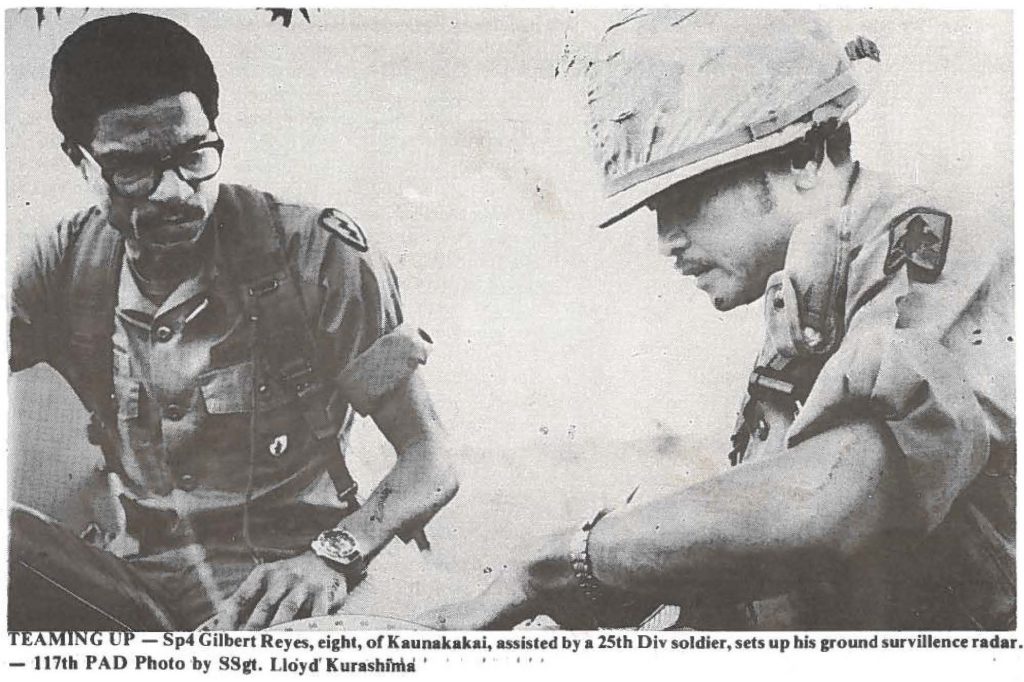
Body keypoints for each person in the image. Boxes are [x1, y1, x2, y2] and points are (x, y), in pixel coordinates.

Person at [421, 9, 1014, 630]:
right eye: (656, 208)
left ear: (806, 155)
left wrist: (569, 560)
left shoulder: (927, 248)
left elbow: (825, 509)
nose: (666, 239)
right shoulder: (812, 281)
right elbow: (765, 552)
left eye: (686, 199)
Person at [8, 12, 458, 631]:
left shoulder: (316, 252)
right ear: (79, 159)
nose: (173, 192)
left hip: (300, 587)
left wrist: (332, 558)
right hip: (134, 596)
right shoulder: (62, 263)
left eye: (194, 154)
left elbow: (429, 458)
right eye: (132, 169)